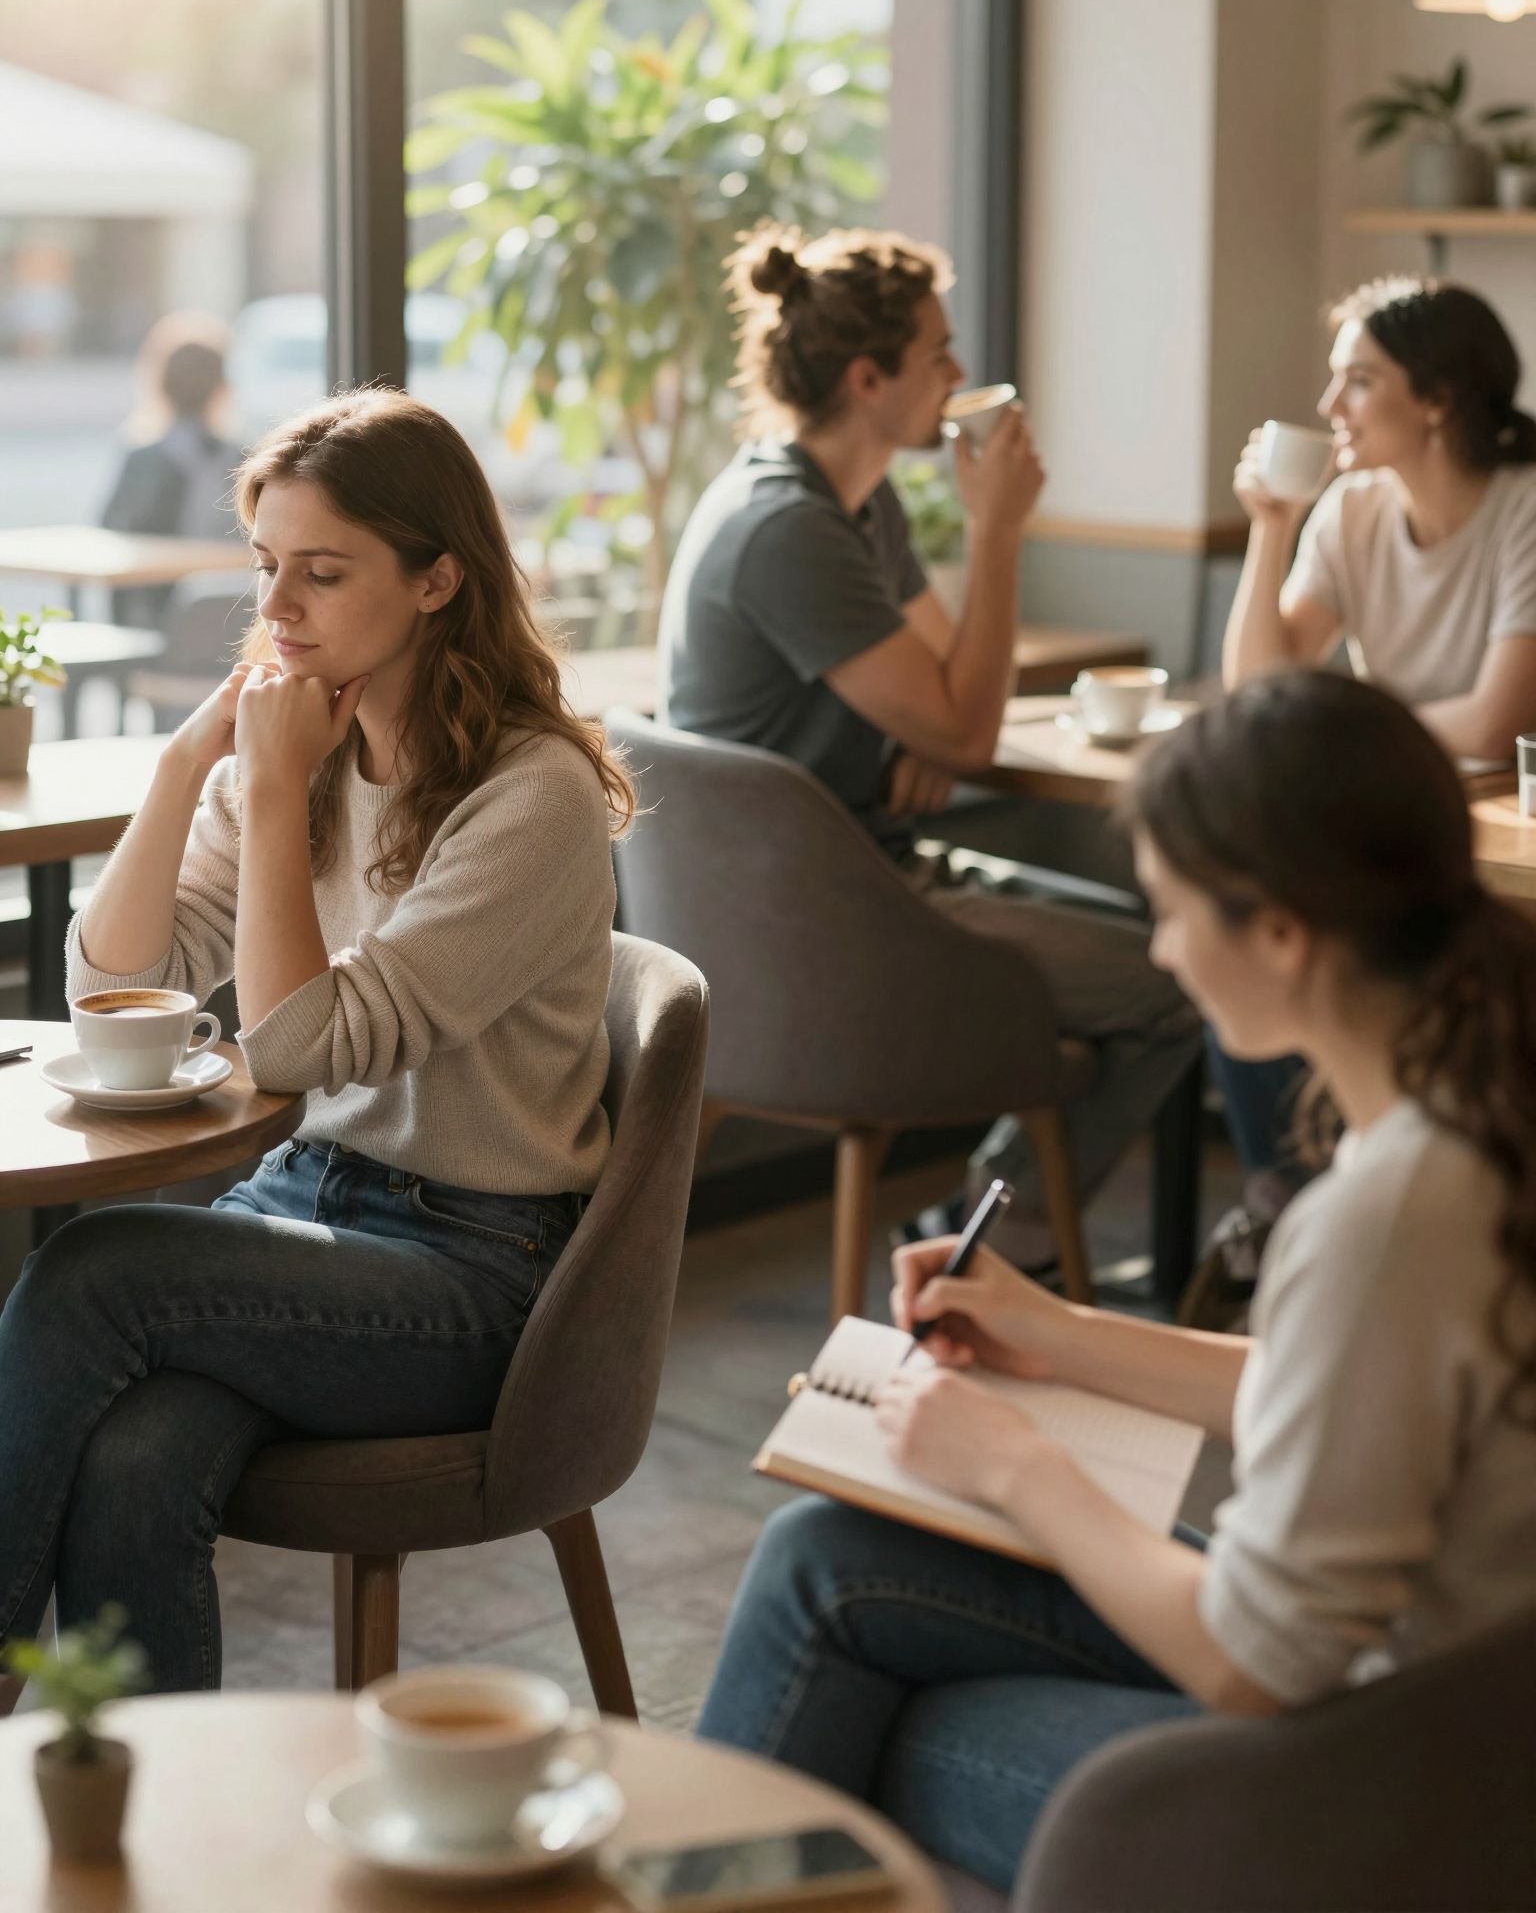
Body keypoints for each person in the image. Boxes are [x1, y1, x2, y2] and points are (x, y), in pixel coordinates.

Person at [697, 670, 1536, 1893]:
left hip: (1395, 1781)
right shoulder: (1471, 1103)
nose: (1159, 949)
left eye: (1174, 910)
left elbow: (1262, 1659)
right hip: (1448, 1708)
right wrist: (1060, 1332)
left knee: (858, 1687)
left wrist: (1012, 1463)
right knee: (824, 1558)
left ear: (1284, 932)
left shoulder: (1390, 1207)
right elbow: (1351, 1383)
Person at [0, 388, 630, 1700]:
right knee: (138, 1457)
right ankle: (139, 1836)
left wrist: (275, 787)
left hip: (477, 1269)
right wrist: (187, 768)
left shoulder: (534, 796)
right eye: (265, 568)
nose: (276, 608)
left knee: (95, 1268)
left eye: (323, 573)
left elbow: (294, 1049)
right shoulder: (301, 749)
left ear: (438, 580)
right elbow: (113, 976)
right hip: (305, 1211)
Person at [658, 223, 1198, 1263]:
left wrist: (936, 730)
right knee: (1177, 978)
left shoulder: (855, 508)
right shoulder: (789, 528)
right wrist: (997, 533)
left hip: (865, 878)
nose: (959, 374)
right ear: (869, 377)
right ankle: (998, 1236)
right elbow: (966, 715)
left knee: (1144, 930)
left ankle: (988, 1229)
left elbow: (953, 701)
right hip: (824, 934)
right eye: (939, 352)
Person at [1214, 276, 1536, 1248]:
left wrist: (1350, 723)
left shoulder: (1524, 508)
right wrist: (1271, 524)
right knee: (1254, 906)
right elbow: (1261, 691)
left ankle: (1388, 1214)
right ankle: (1295, 1198)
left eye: (1358, 381)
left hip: (1508, 840)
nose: (1328, 407)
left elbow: (1493, 722)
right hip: (1409, 819)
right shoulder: (1350, 509)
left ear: (1436, 399)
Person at [102, 313, 245, 542]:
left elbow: (111, 532)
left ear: (160, 385)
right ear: (222, 385)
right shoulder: (242, 460)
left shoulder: (144, 460)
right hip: (230, 576)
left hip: (159, 576)